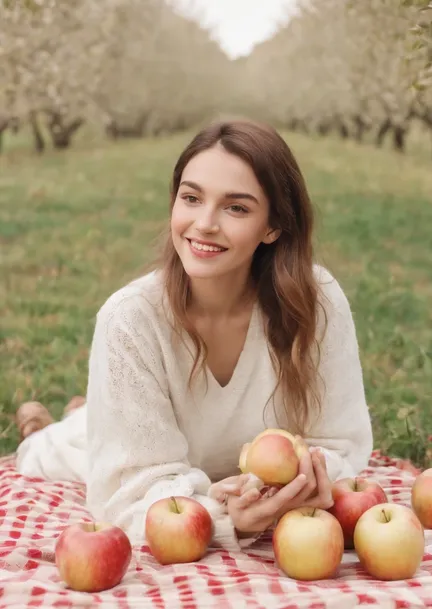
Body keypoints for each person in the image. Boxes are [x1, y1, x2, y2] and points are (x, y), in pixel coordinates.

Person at [14, 119, 373, 551]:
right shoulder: (129, 319)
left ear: (273, 226)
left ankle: (87, 409)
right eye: (191, 198)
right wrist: (229, 520)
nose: (204, 223)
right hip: (110, 447)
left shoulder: (317, 303)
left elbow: (339, 442)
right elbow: (127, 492)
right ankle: (49, 425)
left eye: (236, 208)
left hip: (223, 459)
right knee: (49, 451)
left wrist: (285, 490)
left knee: (103, 417)